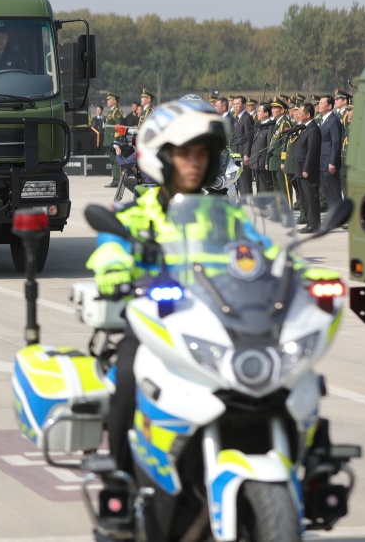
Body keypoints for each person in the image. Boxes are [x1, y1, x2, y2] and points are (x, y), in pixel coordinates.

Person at [85, 99, 240, 473]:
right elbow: (109, 252)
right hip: (154, 326)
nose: (195, 163)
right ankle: (121, 475)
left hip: (216, 326)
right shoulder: (134, 215)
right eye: (185, 154)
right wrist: (117, 270)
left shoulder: (224, 219)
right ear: (163, 157)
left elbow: (259, 253)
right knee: (127, 378)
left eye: (202, 155)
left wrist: (295, 273)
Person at [291, 103, 322, 233]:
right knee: (305, 198)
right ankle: (310, 222)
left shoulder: (313, 129)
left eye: (300, 112)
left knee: (311, 197)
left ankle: (314, 224)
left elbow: (312, 151)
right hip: (300, 168)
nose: (298, 114)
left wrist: (306, 169)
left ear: (308, 114)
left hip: (307, 171)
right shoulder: (305, 128)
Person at [318, 95, 343, 215]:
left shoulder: (334, 120)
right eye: (319, 102)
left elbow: (336, 142)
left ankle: (339, 215)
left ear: (329, 106)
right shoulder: (322, 120)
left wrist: (332, 162)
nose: (319, 105)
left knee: (334, 191)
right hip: (322, 162)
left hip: (329, 163)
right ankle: (333, 214)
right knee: (327, 191)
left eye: (322, 103)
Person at [228, 95, 254, 197]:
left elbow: (249, 137)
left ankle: (247, 204)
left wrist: (246, 154)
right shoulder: (237, 118)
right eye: (234, 104)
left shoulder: (246, 118)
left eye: (237, 104)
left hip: (242, 155)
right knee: (238, 182)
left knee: (244, 184)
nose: (235, 106)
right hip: (236, 155)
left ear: (244, 105)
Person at [103, 92, 126, 187]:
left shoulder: (116, 111)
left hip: (113, 139)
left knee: (116, 161)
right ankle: (115, 179)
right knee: (112, 161)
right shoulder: (111, 111)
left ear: (114, 101)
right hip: (109, 140)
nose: (107, 101)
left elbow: (119, 126)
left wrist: (116, 140)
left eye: (109, 99)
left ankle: (118, 181)